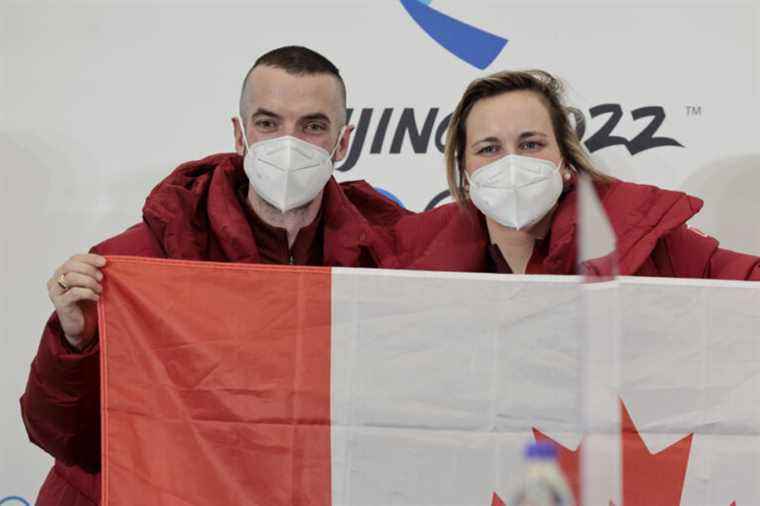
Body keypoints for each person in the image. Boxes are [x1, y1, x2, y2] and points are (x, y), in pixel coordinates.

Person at [20, 45, 410, 505]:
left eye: (313, 126)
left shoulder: (389, 254)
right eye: (268, 123)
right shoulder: (144, 257)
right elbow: (64, 435)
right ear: (240, 135)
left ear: (342, 142)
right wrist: (76, 343)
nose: (289, 144)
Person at [392, 69, 760, 279]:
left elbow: (744, 283)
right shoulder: (415, 259)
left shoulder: (646, 240)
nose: (511, 163)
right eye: (489, 149)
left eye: (531, 144)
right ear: (463, 168)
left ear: (565, 159)